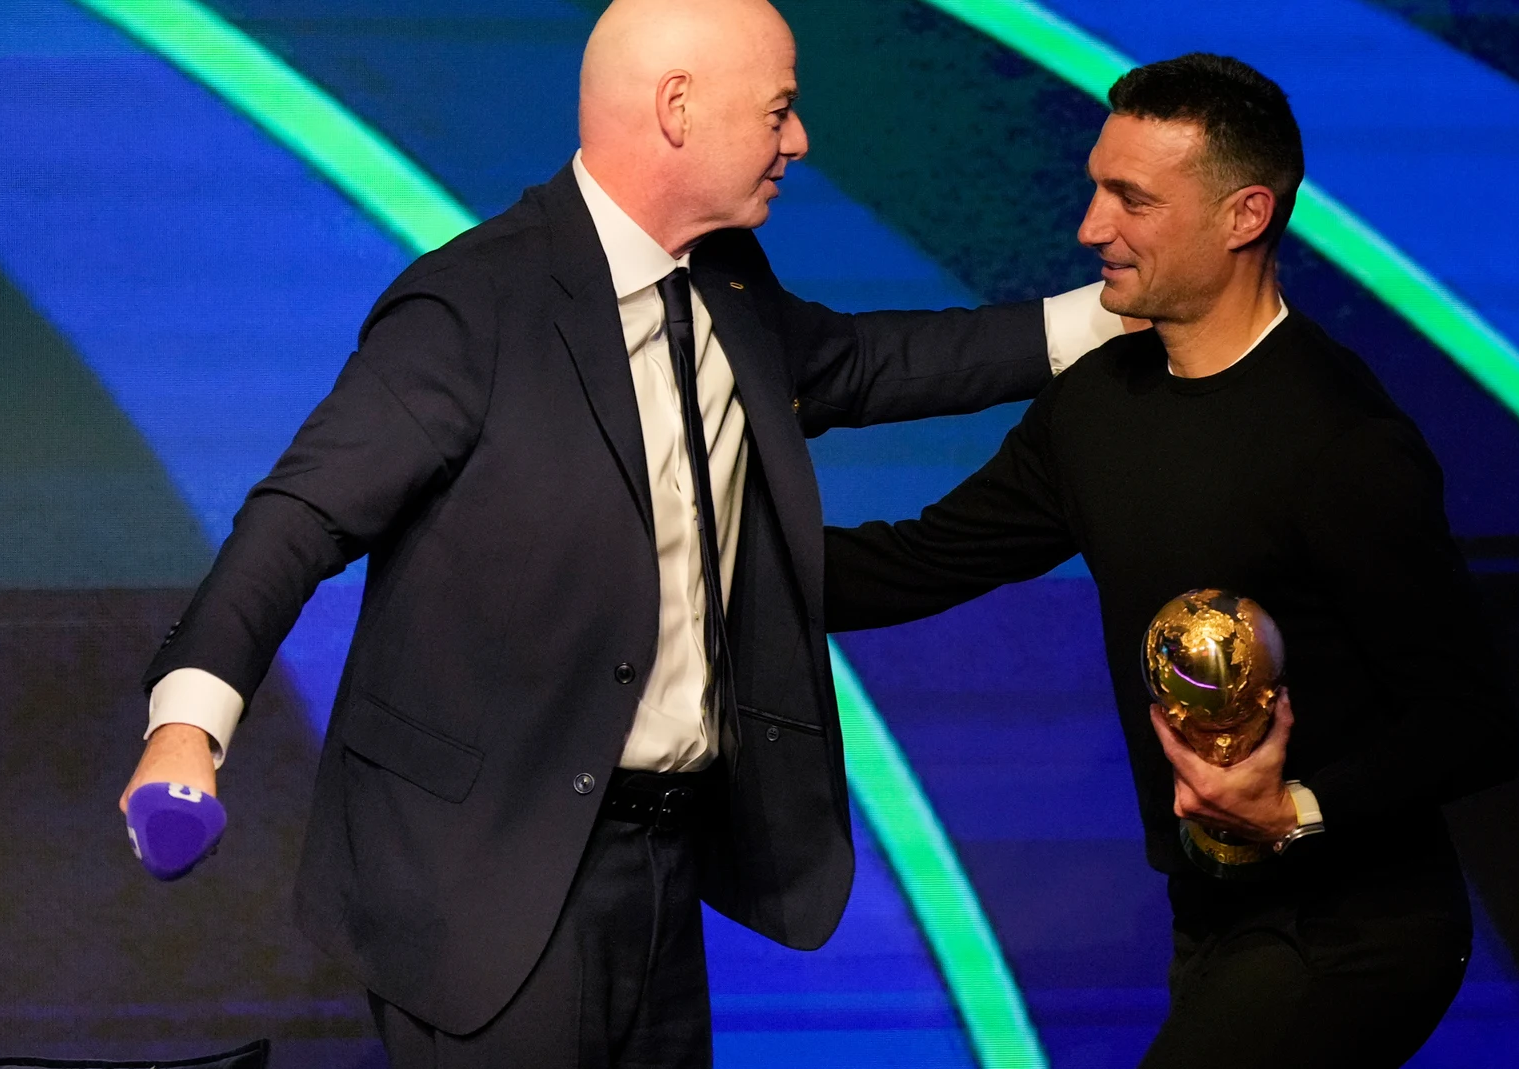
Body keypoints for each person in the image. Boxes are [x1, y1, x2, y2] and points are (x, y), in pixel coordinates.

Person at [115, 0, 1127, 1063]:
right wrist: (186, 726)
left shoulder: (730, 281)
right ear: (678, 109)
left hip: (660, 866)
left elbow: (870, 363)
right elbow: (301, 516)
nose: (801, 140)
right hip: (484, 879)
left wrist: (1108, 315)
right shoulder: (472, 305)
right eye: (780, 109)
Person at [825, 53, 1519, 1068]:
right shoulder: (1098, 404)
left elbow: (1474, 723)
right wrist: (674, 570)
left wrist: (1297, 811)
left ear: (1244, 216)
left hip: (1353, 925)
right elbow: (921, 560)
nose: (1090, 228)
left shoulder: (1341, 440)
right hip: (1208, 911)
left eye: (1131, 199)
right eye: (1097, 187)